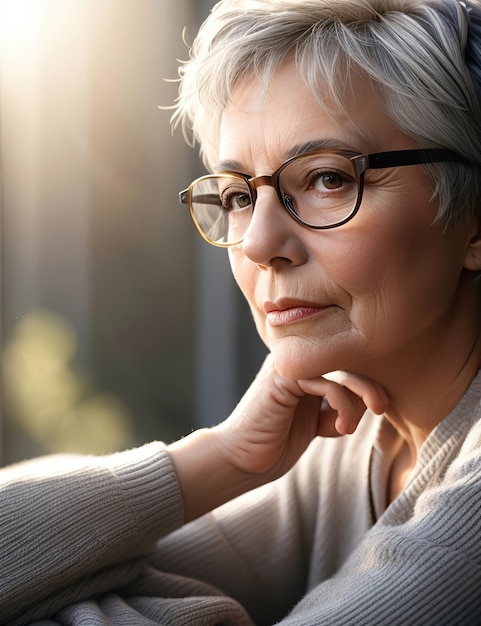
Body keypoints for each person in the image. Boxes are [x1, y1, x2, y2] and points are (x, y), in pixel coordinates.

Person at [3, 0, 481, 623]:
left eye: (328, 179)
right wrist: (218, 459)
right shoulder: (352, 444)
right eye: (235, 194)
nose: (257, 243)